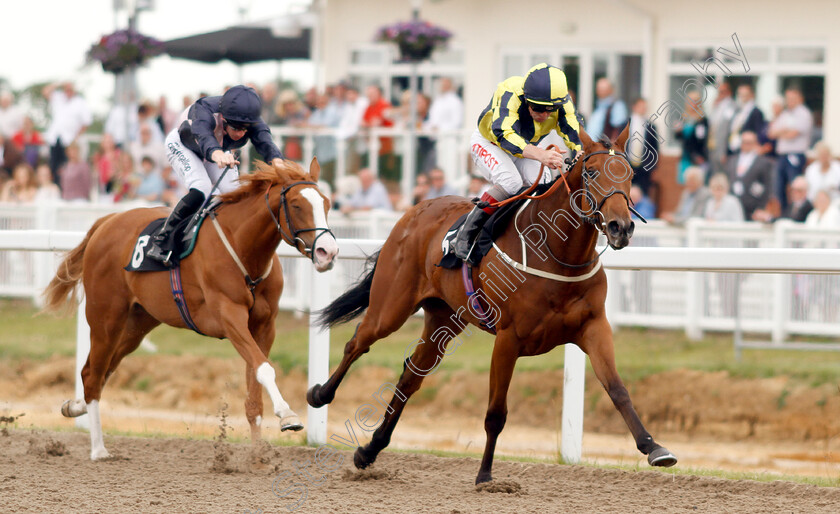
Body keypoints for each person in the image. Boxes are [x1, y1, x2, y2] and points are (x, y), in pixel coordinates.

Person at [145, 85, 286, 264]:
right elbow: (205, 138)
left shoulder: (250, 118)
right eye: (236, 128)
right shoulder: (203, 111)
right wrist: (218, 155)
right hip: (184, 145)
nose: (241, 133)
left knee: (235, 193)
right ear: (224, 119)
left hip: (216, 150)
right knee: (201, 187)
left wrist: (280, 164)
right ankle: (161, 241)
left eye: (246, 129)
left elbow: (266, 143)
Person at [455, 63, 582, 259]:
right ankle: (466, 233)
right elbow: (503, 134)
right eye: (539, 109)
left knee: (543, 185)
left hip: (524, 148)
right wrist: (540, 155)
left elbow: (574, 131)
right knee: (511, 182)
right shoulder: (509, 91)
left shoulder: (562, 101)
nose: (545, 115)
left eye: (552, 110)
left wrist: (582, 151)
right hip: (491, 143)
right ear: (526, 98)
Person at [768, 87, 813, 210]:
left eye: (793, 98)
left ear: (800, 99)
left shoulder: (803, 113)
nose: (790, 101)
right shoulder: (785, 114)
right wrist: (784, 131)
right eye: (788, 99)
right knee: (779, 186)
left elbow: (793, 134)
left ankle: (796, 210)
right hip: (782, 155)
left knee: (795, 185)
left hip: (795, 155)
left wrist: (782, 132)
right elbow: (771, 132)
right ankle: (784, 212)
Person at [43, 82, 92, 181]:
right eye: (66, 89)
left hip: (69, 140)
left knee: (66, 167)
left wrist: (76, 136)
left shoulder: (80, 102)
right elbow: (45, 92)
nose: (68, 92)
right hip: (55, 138)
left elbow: (86, 122)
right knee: (53, 166)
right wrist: (59, 83)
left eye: (70, 89)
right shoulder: (59, 98)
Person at [724, 131, 773, 220]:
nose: (747, 145)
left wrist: (761, 207)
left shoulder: (763, 162)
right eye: (744, 142)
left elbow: (767, 185)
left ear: (755, 143)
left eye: (749, 143)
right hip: (733, 204)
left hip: (752, 207)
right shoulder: (732, 160)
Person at [674, 90, 708, 184]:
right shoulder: (682, 117)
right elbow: (678, 138)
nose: (692, 104)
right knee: (685, 182)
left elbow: (701, 139)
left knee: (696, 182)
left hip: (697, 156)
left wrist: (698, 155)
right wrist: (678, 131)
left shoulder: (702, 120)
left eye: (694, 101)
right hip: (685, 155)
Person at [626, 97, 659, 195]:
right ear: (634, 107)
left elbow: (654, 149)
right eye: (640, 106)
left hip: (644, 169)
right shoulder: (625, 124)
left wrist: (651, 166)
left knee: (643, 194)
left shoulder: (651, 127)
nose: (643, 109)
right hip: (627, 166)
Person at [707, 81, 736, 174]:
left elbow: (726, 130)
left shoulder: (732, 106)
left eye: (723, 92)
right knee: (715, 173)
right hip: (713, 146)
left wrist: (724, 151)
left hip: (723, 148)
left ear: (729, 92)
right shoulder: (718, 106)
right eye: (719, 92)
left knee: (724, 174)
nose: (721, 94)